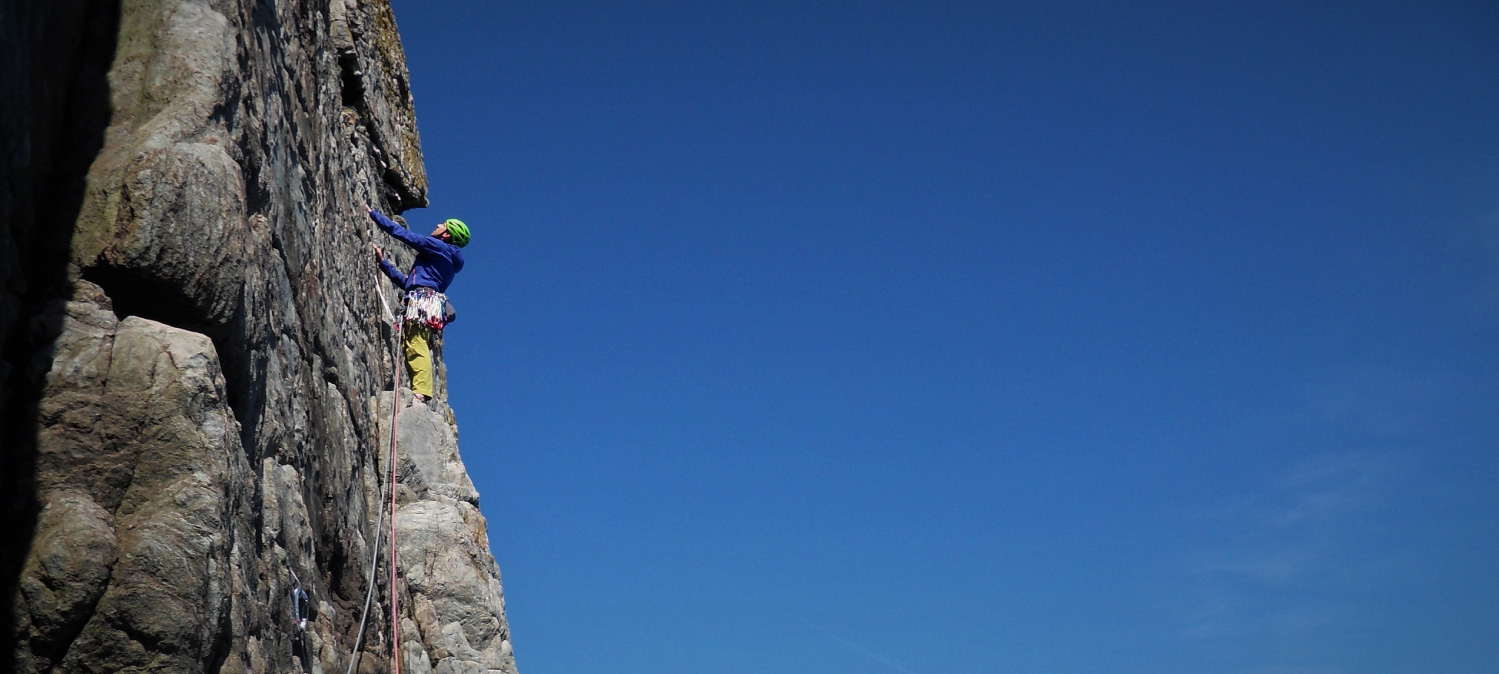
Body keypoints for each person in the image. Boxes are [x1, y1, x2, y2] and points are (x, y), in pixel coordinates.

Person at [368, 205, 469, 404]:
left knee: (416, 343)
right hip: (426, 301)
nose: (437, 225)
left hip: (422, 301)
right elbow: (408, 284)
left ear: (447, 234)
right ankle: (420, 389)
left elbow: (404, 235)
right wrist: (383, 264)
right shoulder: (445, 259)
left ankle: (421, 391)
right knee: (412, 343)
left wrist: (373, 214)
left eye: (443, 225)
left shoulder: (439, 247)